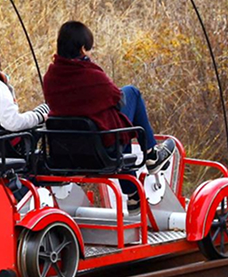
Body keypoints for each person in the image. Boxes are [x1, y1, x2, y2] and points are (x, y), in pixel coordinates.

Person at [40, 20, 175, 171]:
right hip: (100, 150)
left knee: (116, 122)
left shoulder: (50, 77)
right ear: (83, 49)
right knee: (131, 95)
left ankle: (133, 192)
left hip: (66, 152)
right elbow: (118, 99)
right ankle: (151, 155)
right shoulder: (91, 76)